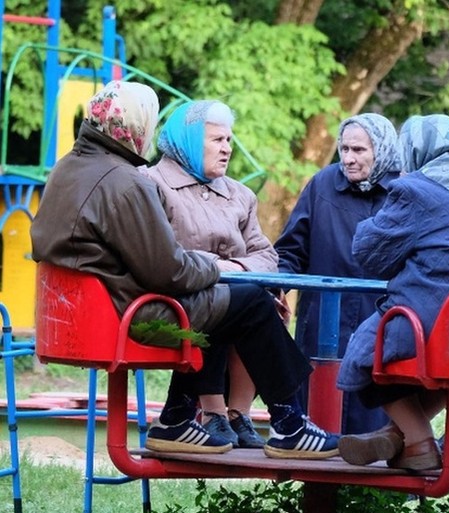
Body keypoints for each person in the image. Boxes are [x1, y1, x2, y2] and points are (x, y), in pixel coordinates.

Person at [30, 80, 338, 460]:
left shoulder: (68, 169)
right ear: (135, 125)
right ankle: (290, 424)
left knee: (228, 302)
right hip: (133, 314)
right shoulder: (127, 183)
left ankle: (176, 418)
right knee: (251, 303)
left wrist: (212, 274)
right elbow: (169, 273)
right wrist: (216, 269)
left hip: (86, 311)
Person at [335, 114, 449, 470]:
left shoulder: (416, 189)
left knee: (367, 352)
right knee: (430, 362)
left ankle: (418, 441)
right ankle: (406, 433)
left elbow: (369, 254)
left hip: (438, 316)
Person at [142, 100, 278, 448]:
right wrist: (217, 269)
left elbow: (266, 255)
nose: (227, 148)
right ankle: (214, 412)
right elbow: (163, 254)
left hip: (228, 291)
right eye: (218, 140)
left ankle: (239, 414)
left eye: (230, 140)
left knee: (259, 299)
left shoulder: (240, 195)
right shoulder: (151, 184)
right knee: (226, 300)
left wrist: (234, 268)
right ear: (188, 140)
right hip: (171, 296)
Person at [274, 113, 401, 434]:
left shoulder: (404, 191)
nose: (348, 159)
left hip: (381, 322)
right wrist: (274, 288)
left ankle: (376, 484)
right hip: (321, 322)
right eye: (344, 149)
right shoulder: (323, 184)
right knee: (317, 419)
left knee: (376, 415)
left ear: (381, 150)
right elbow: (291, 250)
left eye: (359, 150)